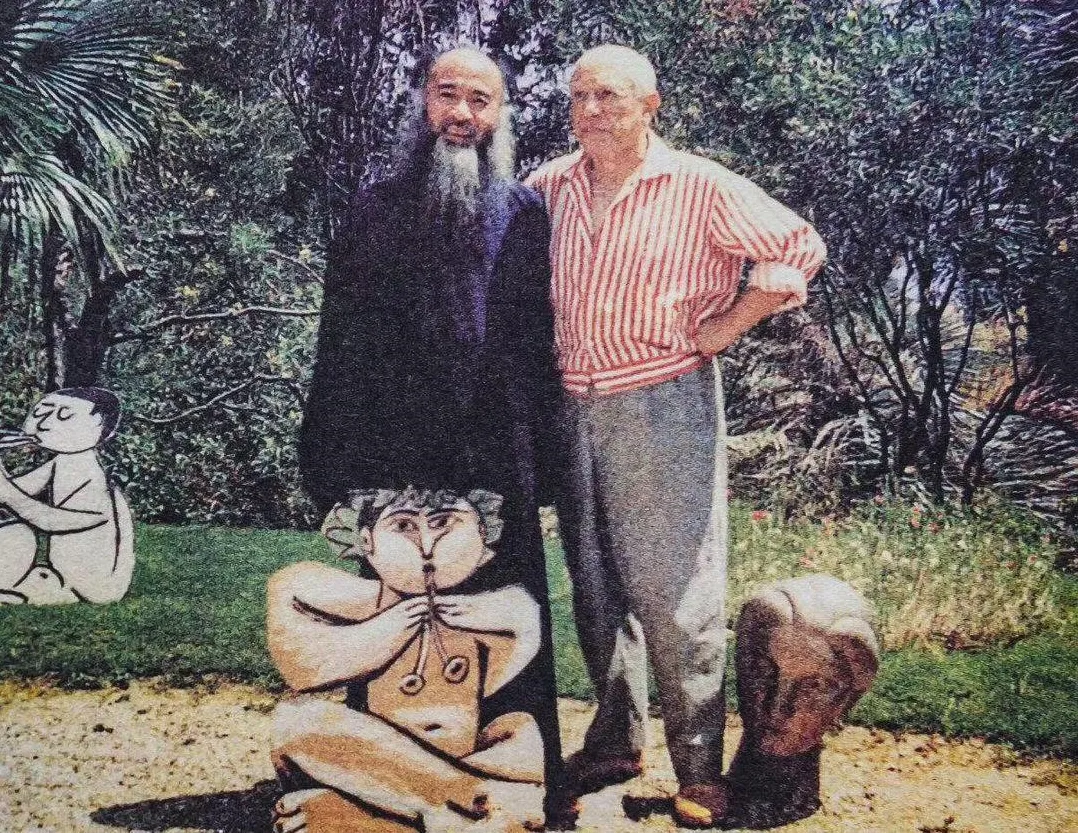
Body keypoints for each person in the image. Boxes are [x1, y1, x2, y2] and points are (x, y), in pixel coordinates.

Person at [526, 44, 827, 825]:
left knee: (676, 592)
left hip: (663, 402)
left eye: (609, 95)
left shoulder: (698, 183)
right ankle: (614, 743)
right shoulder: (549, 186)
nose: (591, 110)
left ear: (651, 105)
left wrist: (728, 324)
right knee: (596, 588)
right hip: (572, 405)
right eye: (580, 96)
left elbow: (798, 246)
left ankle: (698, 767)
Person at [294, 47, 566, 826]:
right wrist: (330, 452)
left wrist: (542, 458)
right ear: (423, 102)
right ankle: (382, 783)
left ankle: (520, 785)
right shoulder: (374, 209)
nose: (462, 114)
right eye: (448, 95)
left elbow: (536, 344)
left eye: (480, 100)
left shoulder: (526, 213)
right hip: (395, 448)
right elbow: (341, 338)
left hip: (494, 453)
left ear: (500, 114)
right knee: (394, 615)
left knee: (507, 616)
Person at [0, 387, 134, 605]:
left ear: (99, 427)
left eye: (64, 415)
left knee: (19, 534)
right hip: (61, 574)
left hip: (94, 587)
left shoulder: (94, 480)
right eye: (40, 412)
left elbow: (53, 522)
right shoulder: (62, 462)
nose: (43, 424)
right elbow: (19, 488)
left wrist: (8, 494)